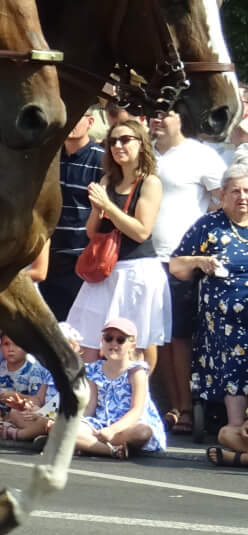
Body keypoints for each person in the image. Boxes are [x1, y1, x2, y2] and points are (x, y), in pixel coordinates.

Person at [65, 113, 168, 362]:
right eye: (112, 141)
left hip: (136, 270)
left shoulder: (150, 183)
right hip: (104, 271)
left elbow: (141, 231)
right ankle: (91, 387)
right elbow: (93, 232)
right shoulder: (107, 180)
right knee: (86, 340)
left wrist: (108, 207)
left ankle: (139, 386)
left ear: (141, 144)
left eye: (125, 140)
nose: (117, 146)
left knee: (136, 344)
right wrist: (97, 210)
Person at [148, 105, 224, 434]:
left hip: (183, 262)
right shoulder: (144, 152)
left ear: (182, 118)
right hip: (145, 258)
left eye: (166, 112)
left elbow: (225, 199)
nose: (158, 118)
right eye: (154, 113)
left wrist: (205, 239)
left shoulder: (201, 155)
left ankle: (188, 409)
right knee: (160, 338)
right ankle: (173, 407)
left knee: (180, 337)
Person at [167, 160, 248, 466]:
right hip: (223, 317)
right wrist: (199, 262)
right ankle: (236, 425)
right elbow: (176, 265)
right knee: (233, 342)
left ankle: (237, 442)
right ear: (223, 195)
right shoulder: (209, 225)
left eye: (247, 191)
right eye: (235, 191)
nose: (242, 197)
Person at [40, 108, 107, 322]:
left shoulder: (101, 159)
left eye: (77, 118)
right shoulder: (50, 155)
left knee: (74, 324)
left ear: (90, 122)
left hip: (79, 256)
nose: (71, 123)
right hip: (45, 253)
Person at [76, 314, 167, 456]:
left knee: (143, 432)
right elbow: (90, 407)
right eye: (108, 338)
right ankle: (111, 450)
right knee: (69, 428)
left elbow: (136, 410)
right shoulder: (93, 370)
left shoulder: (136, 371)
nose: (114, 343)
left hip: (128, 425)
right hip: (100, 424)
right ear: (102, 341)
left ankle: (89, 444)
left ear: (132, 346)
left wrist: (112, 430)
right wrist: (75, 421)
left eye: (120, 340)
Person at [0, 331, 58, 442]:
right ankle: (0, 423)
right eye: (6, 344)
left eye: (17, 344)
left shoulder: (34, 369)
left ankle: (10, 427)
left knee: (16, 413)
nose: (11, 349)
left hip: (22, 410)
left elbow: (37, 400)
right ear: (0, 347)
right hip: (0, 410)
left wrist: (16, 396)